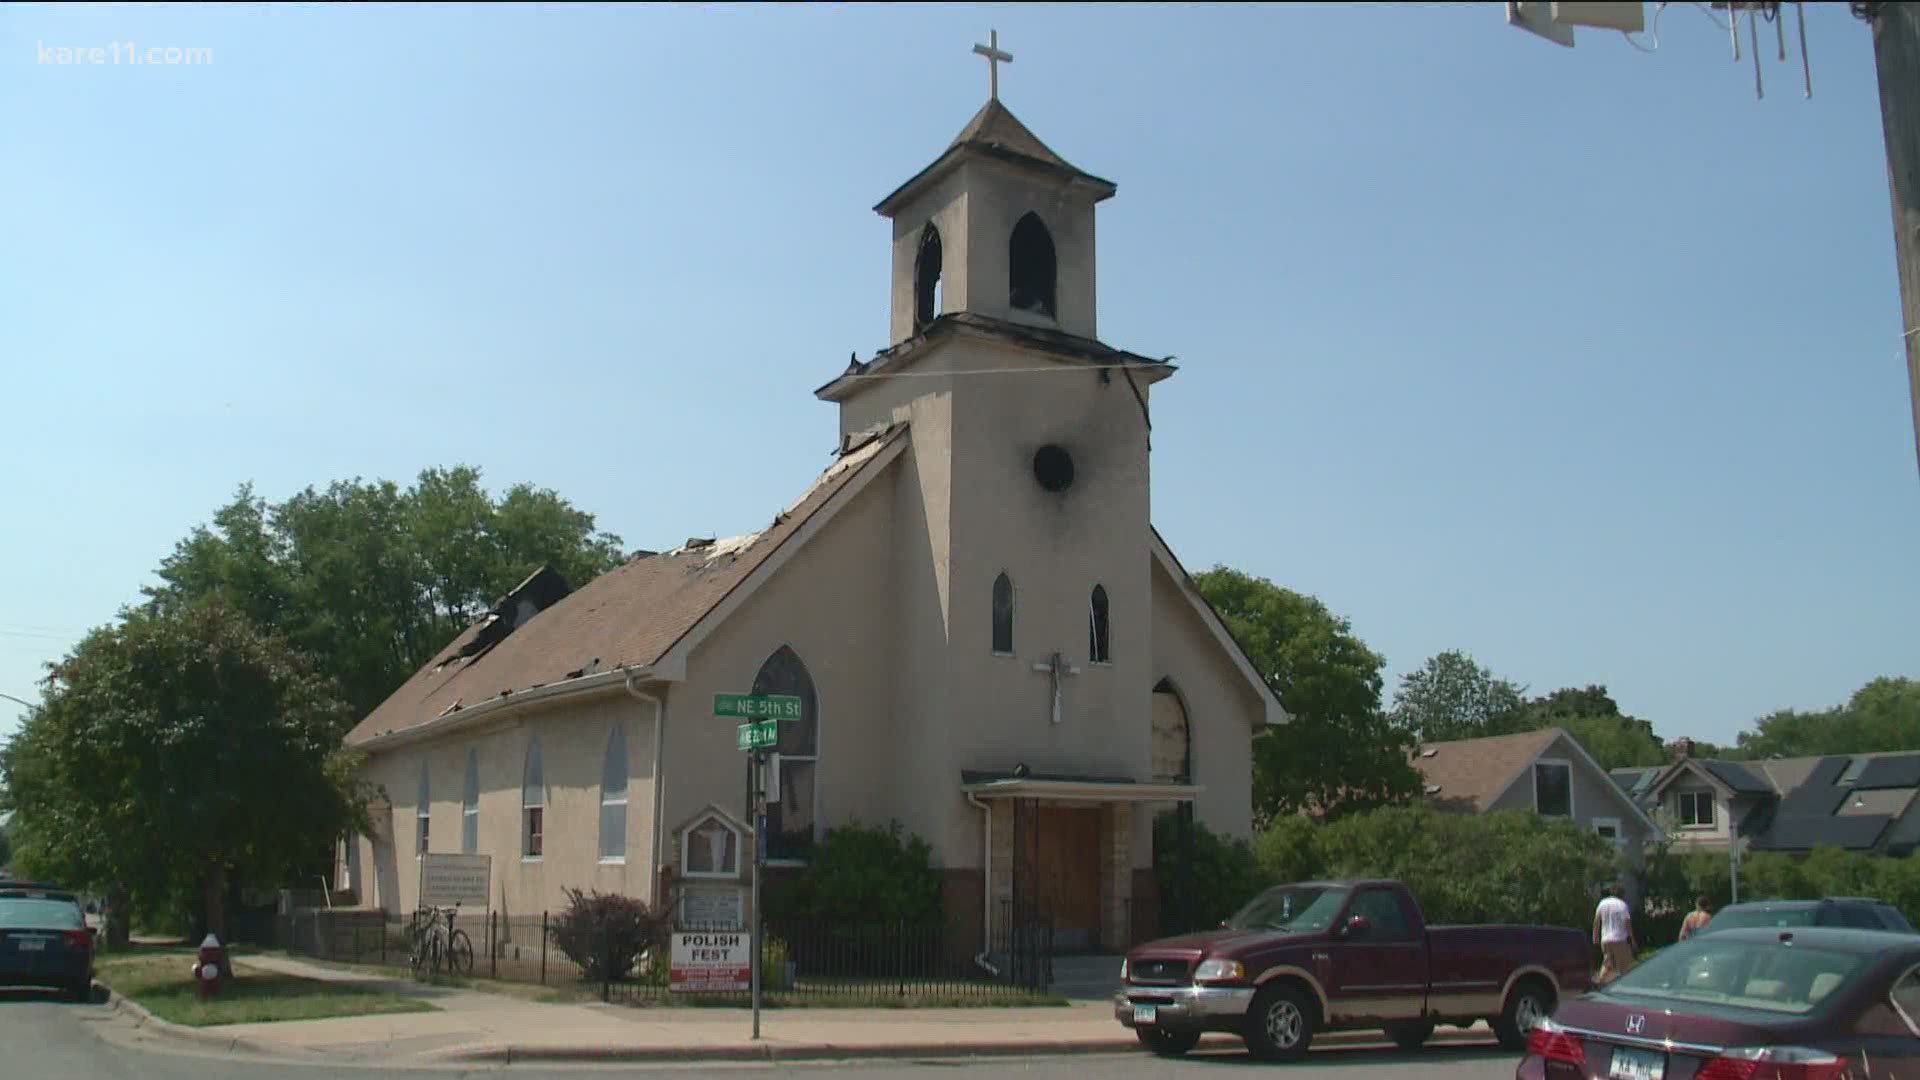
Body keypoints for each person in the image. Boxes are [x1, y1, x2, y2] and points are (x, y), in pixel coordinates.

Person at [1593, 881, 1637, 985]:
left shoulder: (1602, 903)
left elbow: (1597, 921)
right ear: (1622, 894)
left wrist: (1595, 937)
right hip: (1619, 939)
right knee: (1626, 965)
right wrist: (1633, 941)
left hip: (1606, 939)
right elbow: (1627, 924)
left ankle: (1601, 982)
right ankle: (1627, 985)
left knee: (1607, 963)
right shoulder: (1622, 905)